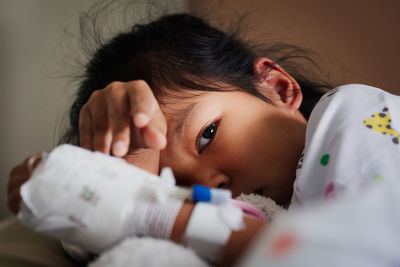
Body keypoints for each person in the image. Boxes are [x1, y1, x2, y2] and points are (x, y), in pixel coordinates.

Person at [7, 11, 400, 267]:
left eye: (207, 135)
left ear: (277, 87)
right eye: (176, 185)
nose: (210, 187)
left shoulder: (352, 115)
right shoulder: (242, 221)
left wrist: (150, 212)